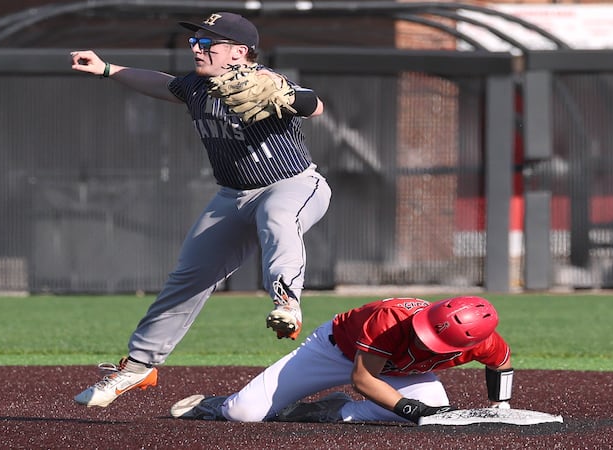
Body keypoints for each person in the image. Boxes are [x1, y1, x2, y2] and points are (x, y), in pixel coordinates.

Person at [69, 11, 332, 408]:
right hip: (232, 195)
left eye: (208, 42)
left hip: (292, 184)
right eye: (195, 40)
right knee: (188, 277)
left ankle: (287, 304)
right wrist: (108, 68)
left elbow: (314, 106)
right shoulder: (196, 86)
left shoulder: (262, 81)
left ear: (239, 52)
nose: (197, 46)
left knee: (279, 219)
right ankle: (138, 366)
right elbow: (162, 83)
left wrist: (291, 97)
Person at [169, 296, 514, 424]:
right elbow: (363, 380)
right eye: (427, 328)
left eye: (434, 339)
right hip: (336, 352)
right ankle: (214, 405)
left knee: (435, 406)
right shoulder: (391, 319)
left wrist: (501, 406)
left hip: (396, 371)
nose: (423, 335)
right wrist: (408, 408)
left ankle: (331, 410)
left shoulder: (486, 345)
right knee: (243, 414)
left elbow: (501, 365)